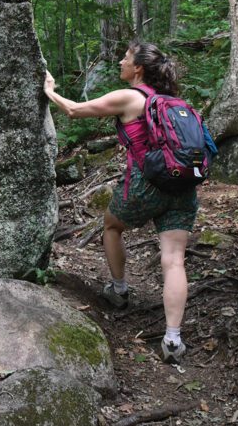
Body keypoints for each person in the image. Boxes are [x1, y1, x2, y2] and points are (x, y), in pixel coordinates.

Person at [43, 41, 199, 363]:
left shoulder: (130, 97)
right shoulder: (172, 101)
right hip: (183, 185)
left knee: (111, 226)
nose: (120, 61)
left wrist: (49, 89)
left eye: (125, 58)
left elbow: (73, 110)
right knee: (174, 260)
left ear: (138, 68)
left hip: (148, 182)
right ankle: (172, 340)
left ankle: (118, 289)